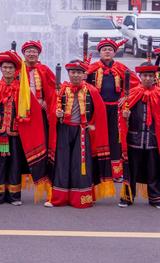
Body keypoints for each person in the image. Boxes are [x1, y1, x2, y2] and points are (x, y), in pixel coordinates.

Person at [0, 50, 49, 206]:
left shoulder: (23, 91)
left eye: (10, 68)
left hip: (16, 133)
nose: (7, 70)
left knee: (15, 164)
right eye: (5, 67)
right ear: (1, 69)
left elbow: (33, 111)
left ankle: (14, 196)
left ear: (16, 70)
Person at [46, 59, 114, 208]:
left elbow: (100, 112)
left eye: (79, 72)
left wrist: (93, 125)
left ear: (84, 74)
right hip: (64, 129)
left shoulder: (92, 91)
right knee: (62, 163)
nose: (75, 75)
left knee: (81, 164)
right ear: (68, 73)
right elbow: (51, 112)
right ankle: (59, 198)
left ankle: (81, 198)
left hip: (82, 131)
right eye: (73, 72)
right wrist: (56, 114)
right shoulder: (61, 90)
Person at [87, 38, 138, 181]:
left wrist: (125, 97)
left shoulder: (122, 68)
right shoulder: (92, 68)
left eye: (110, 49)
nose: (107, 52)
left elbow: (135, 85)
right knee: (97, 137)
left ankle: (116, 172)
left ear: (114, 52)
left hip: (116, 109)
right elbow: (84, 87)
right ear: (100, 53)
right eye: (104, 50)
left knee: (116, 139)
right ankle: (99, 171)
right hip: (98, 110)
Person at [118, 62, 160, 209]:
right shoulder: (132, 94)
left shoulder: (159, 94)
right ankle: (128, 197)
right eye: (145, 76)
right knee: (132, 170)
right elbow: (122, 116)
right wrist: (125, 115)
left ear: (155, 78)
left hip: (153, 140)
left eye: (150, 76)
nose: (147, 78)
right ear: (140, 77)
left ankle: (155, 198)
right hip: (134, 139)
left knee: (154, 170)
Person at [21, 40, 56, 142]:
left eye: (34, 51)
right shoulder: (18, 70)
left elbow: (55, 88)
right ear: (23, 53)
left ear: (38, 54)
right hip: (23, 108)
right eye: (28, 51)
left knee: (41, 135)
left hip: (40, 108)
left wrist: (46, 101)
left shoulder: (44, 69)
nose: (31, 54)